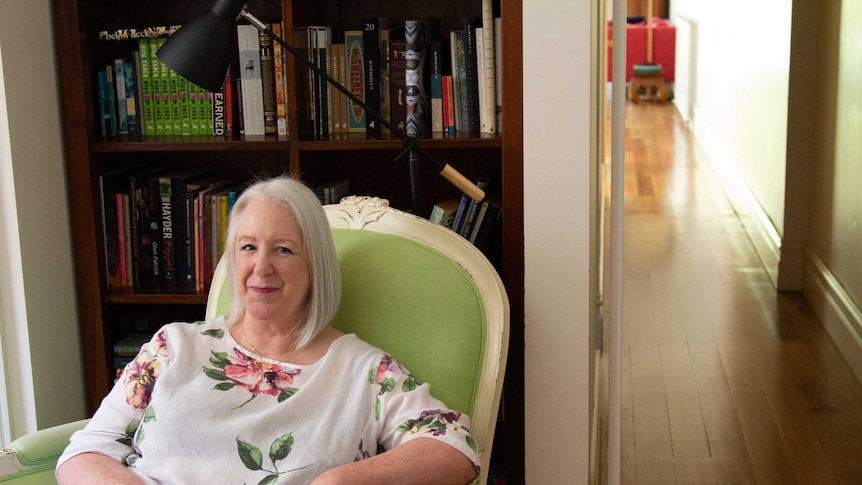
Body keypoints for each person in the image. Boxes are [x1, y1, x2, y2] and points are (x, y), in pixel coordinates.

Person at [56, 176, 480, 484]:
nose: (261, 268)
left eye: (283, 250)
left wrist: (341, 483)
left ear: (315, 266)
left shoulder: (364, 373)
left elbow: (455, 448)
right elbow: (85, 451)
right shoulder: (175, 346)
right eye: (248, 247)